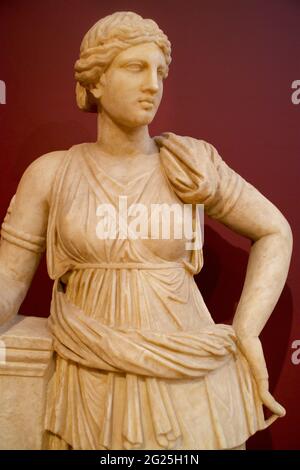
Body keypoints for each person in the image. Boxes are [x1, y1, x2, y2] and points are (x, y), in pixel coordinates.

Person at [0, 11, 292, 450]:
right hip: (93, 372)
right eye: (135, 68)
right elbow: (8, 280)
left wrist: (247, 328)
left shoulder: (189, 164)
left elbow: (274, 230)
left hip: (189, 374)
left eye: (159, 71)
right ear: (96, 81)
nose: (153, 84)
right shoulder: (52, 173)